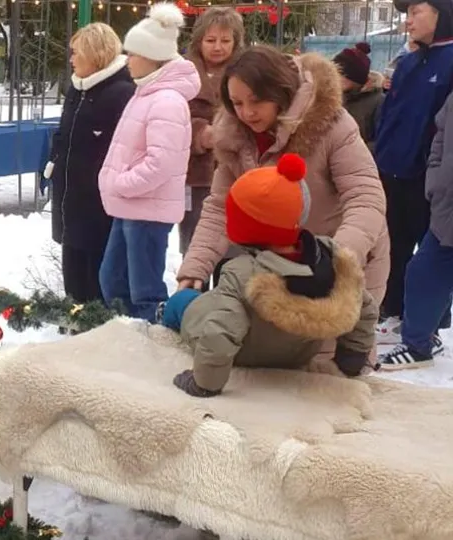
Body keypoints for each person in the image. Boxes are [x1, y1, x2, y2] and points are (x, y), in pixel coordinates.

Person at [176, 46, 388, 373]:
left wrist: (337, 259)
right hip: (281, 266)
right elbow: (221, 208)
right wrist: (195, 268)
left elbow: (366, 196)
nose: (246, 112)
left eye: (256, 101)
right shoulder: (236, 137)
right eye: (237, 103)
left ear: (281, 91)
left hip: (345, 260)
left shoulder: (330, 124)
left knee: (330, 369)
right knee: (286, 368)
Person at [159, 154, 378, 397]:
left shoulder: (244, 274)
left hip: (245, 353)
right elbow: (365, 308)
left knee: (183, 302)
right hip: (295, 356)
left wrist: (203, 383)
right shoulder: (332, 262)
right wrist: (349, 363)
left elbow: (220, 332)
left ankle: (165, 313)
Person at [97, 2, 200, 322]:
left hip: (145, 208)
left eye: (134, 53)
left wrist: (121, 183)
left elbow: (160, 162)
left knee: (143, 290)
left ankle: (152, 346)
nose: (127, 61)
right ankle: (129, 343)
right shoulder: (147, 93)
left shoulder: (166, 101)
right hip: (132, 205)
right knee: (113, 281)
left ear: (154, 56)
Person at [374, 0, 453, 349]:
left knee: (431, 253)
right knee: (395, 244)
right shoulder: (407, 62)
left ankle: (431, 323)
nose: (408, 22)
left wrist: (433, 172)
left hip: (430, 177)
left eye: (416, 13)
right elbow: (389, 115)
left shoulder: (449, 61)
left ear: (442, 14)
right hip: (393, 170)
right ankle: (394, 311)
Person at [45, 23, 135, 304]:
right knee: (72, 256)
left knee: (96, 262)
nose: (71, 59)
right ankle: (74, 312)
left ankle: (96, 319)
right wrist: (54, 161)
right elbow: (63, 132)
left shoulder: (122, 92)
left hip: (98, 201)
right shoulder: (77, 88)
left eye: (76, 53)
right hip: (71, 194)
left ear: (95, 54)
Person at [378, 90, 453, 369]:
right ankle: (420, 342)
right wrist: (436, 180)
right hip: (447, 205)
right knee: (425, 270)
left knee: (428, 270)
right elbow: (440, 136)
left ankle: (420, 341)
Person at [181, 7, 244, 258]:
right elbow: (170, 116)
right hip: (193, 173)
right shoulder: (182, 71)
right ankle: (193, 293)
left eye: (225, 40)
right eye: (211, 40)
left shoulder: (245, 72)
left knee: (231, 245)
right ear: (199, 40)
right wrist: (199, 133)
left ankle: (226, 292)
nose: (218, 47)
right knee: (193, 242)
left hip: (234, 172)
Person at [333, 42, 384, 150]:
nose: (337, 78)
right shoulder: (334, 98)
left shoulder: (379, 102)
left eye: (341, 73)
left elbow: (382, 141)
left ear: (355, 77)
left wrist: (355, 151)